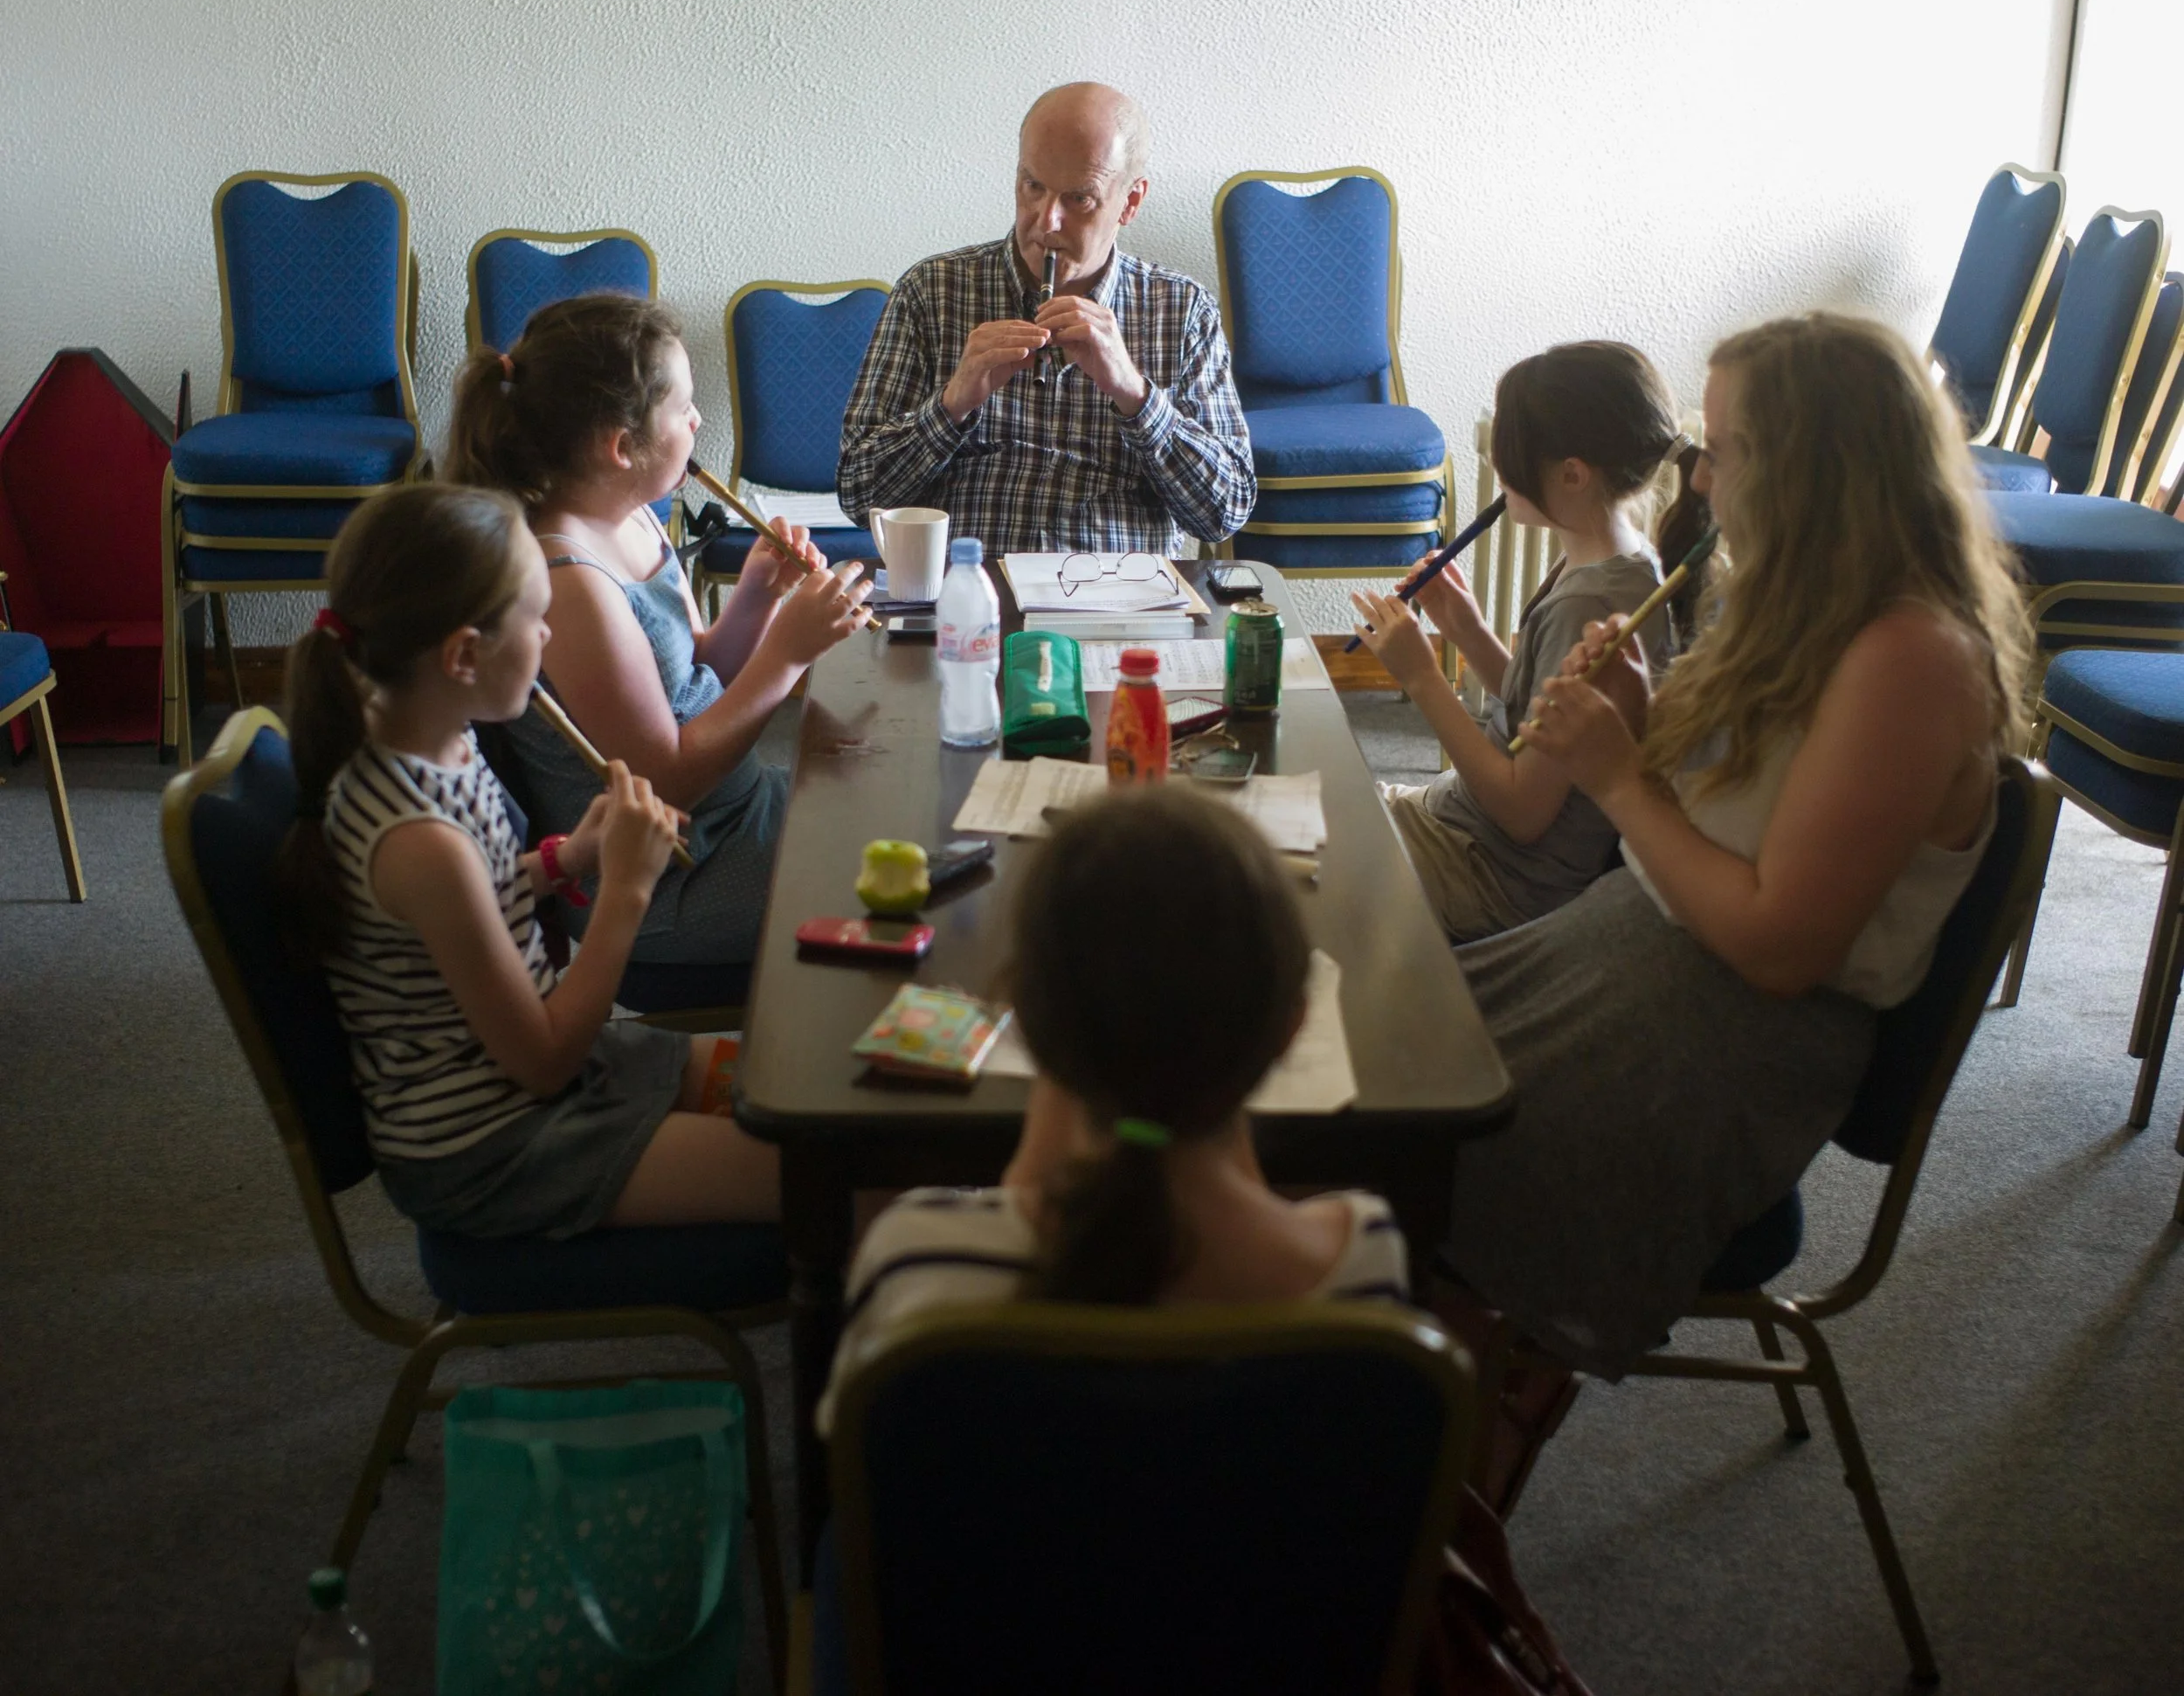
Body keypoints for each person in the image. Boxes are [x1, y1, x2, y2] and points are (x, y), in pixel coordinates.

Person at [1432, 313, 2029, 1505]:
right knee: (1387, 1061)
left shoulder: (1912, 656)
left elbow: (1775, 947)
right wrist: (1644, 720)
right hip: (1635, 961)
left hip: (1729, 1040)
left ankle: (1437, 1471)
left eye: (1726, 449)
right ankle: (1415, 1432)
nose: (1701, 479)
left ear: (1817, 465)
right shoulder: (1794, 607)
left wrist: (1618, 775)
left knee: (1417, 1136)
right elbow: (1733, 807)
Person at [816, 786, 1409, 1435]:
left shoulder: (916, 1263)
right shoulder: (1366, 1271)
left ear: (1027, 1023)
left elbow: (859, 1472)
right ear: (1291, 1029)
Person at [277, 484, 780, 1238]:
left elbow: (468, 907)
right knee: (829, 1171)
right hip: (499, 1147)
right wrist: (626, 892)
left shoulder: (439, 737)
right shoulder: (420, 843)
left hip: (554, 1081)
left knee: (799, 1095)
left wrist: (568, 858)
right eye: (535, 620)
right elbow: (544, 1060)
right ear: (464, 656)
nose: (548, 635)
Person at [446, 294, 874, 967]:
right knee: (904, 888)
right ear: (622, 447)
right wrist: (787, 657)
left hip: (734, 813)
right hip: (669, 877)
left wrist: (757, 598)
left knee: (902, 813)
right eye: (683, 408)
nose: (698, 420)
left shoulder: (634, 513)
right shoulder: (569, 581)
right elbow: (664, 781)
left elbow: (695, 677)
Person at [1353, 341, 1703, 941]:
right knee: (1308, 802)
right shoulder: (1623, 562)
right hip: (1464, 828)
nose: (1499, 470)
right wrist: (1467, 630)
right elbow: (1539, 717)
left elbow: (1522, 812)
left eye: (1509, 455)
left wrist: (1422, 677)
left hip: (1490, 872)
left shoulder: (1590, 603)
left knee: (1282, 861)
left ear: (1572, 474)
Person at [837, 81, 1255, 557]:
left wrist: (1134, 395)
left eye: (1079, 199)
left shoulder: (1181, 308)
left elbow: (1224, 513)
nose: (1046, 220)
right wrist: (951, 406)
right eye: (1033, 186)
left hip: (1118, 590)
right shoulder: (931, 290)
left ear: (1131, 202)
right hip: (971, 583)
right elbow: (860, 496)